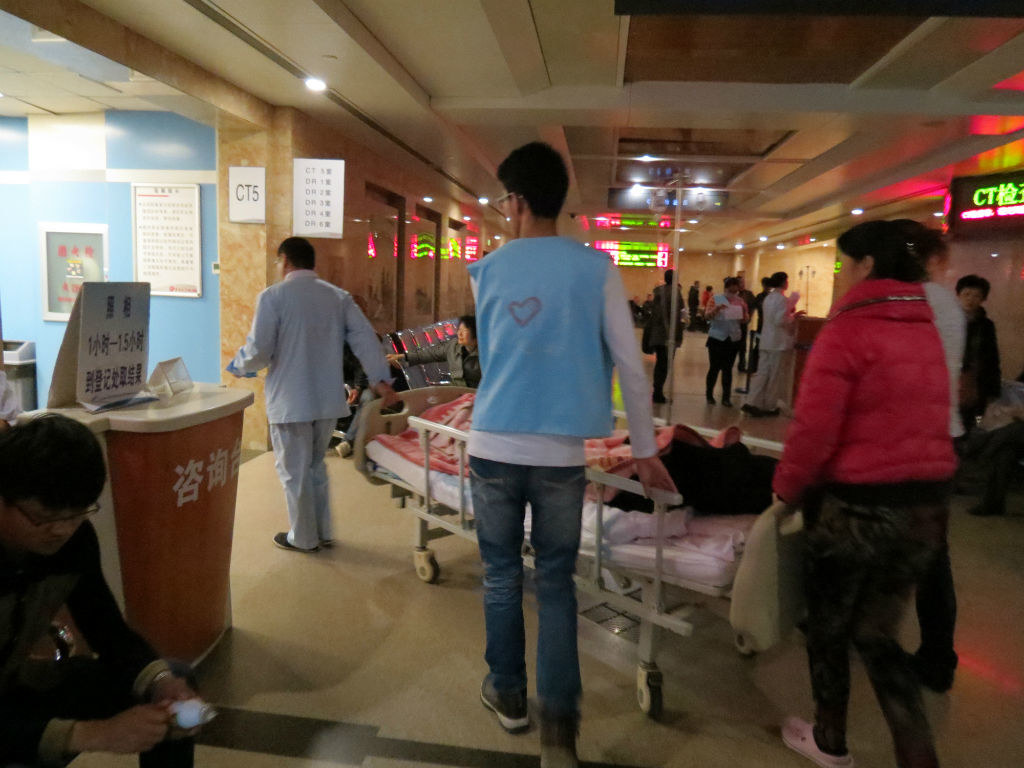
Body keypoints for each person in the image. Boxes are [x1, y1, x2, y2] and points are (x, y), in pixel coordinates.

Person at [467, 141, 676, 768]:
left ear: (517, 201)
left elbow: (491, 359)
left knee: (501, 574)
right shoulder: (597, 269)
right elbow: (632, 368)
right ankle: (560, 732)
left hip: (493, 444)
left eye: (505, 200)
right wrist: (645, 450)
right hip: (560, 453)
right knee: (556, 581)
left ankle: (508, 696)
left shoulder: (486, 270)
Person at [774, 219, 955, 768]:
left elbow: (814, 430)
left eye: (844, 263)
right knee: (878, 635)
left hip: (857, 510)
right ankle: (917, 754)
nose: (842, 273)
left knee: (828, 629)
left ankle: (830, 740)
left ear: (867, 265)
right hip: (925, 508)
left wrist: (785, 490)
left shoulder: (848, 329)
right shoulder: (925, 328)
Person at [0, 415, 200, 767]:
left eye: (76, 515)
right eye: (42, 517)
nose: (61, 531)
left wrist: (160, 680)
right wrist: (89, 734)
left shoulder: (75, 541)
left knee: (169, 685)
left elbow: (106, 628)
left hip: (16, 687)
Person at [228, 236, 398, 552]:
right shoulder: (338, 297)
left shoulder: (272, 297)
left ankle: (303, 538)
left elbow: (259, 350)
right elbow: (365, 339)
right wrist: (381, 380)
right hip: (327, 401)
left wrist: (240, 365)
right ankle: (322, 531)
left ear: (284, 261)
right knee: (316, 466)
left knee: (294, 472)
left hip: (291, 402)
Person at [742, 272, 802, 417]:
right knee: (774, 375)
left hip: (766, 340)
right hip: (777, 343)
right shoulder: (781, 299)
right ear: (783, 282)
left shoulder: (768, 297)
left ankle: (752, 402)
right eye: (786, 280)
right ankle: (769, 405)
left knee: (762, 373)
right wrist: (793, 316)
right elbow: (780, 320)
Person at [956, 274, 1001, 432]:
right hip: (951, 380)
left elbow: (992, 358)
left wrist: (993, 390)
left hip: (975, 383)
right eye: (966, 294)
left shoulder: (986, 326)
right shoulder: (948, 321)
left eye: (976, 296)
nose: (970, 299)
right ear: (958, 295)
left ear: (983, 299)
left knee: (971, 423)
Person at [387, 315, 481, 388]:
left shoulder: (484, 353)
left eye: (464, 330)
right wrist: (403, 357)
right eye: (459, 330)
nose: (459, 334)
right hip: (454, 391)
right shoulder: (453, 346)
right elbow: (429, 354)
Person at [704, 277, 748, 407]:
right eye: (733, 287)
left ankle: (726, 398)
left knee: (728, 369)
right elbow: (707, 316)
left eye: (736, 288)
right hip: (717, 338)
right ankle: (709, 395)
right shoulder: (716, 298)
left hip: (733, 339)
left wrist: (743, 316)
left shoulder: (740, 301)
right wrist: (717, 309)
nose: (735, 290)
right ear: (727, 287)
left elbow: (745, 319)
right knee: (714, 368)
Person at [646, 270, 685, 404]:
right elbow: (679, 313)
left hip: (657, 333)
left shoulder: (658, 292)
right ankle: (658, 393)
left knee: (660, 364)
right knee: (665, 364)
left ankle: (657, 390)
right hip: (669, 335)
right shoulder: (675, 293)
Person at [735, 276, 757, 373]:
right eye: (740, 282)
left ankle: (742, 364)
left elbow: (753, 306)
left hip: (743, 323)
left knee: (742, 346)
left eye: (743, 282)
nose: (742, 284)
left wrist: (749, 317)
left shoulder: (748, 294)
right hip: (732, 324)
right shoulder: (733, 294)